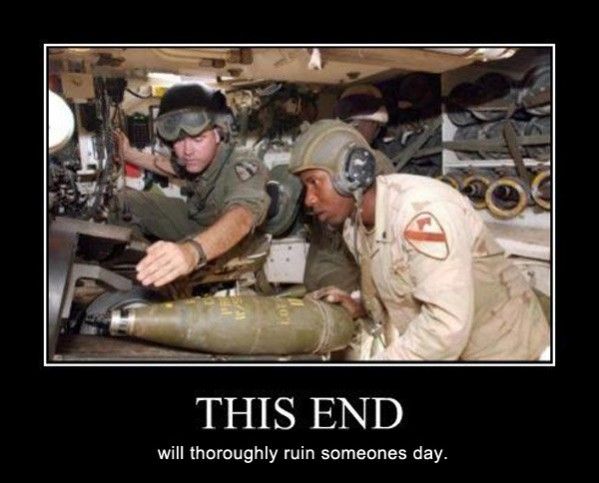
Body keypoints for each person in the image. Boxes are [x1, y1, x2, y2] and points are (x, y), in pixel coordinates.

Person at [289, 119, 550, 361]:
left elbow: (445, 328)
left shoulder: (422, 214)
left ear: (353, 174)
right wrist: (360, 306)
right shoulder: (354, 224)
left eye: (314, 182)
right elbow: (397, 285)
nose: (309, 200)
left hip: (505, 348)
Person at [112, 83, 270, 288]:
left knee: (175, 263)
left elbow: (242, 217)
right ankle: (137, 267)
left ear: (218, 134)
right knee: (124, 200)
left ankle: (156, 282)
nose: (187, 151)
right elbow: (168, 166)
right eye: (178, 141)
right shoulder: (197, 160)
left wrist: (191, 252)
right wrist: (129, 154)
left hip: (227, 240)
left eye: (198, 139)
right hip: (196, 220)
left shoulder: (243, 164)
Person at [302, 85, 395, 293]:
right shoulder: (376, 161)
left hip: (318, 266)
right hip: (347, 268)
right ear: (369, 124)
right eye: (374, 125)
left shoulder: (320, 156)